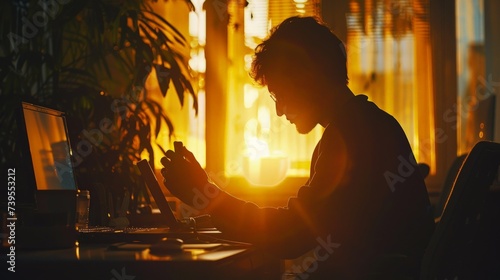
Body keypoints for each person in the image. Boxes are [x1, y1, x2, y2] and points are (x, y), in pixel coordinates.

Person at [160, 16, 435, 279]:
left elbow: (292, 235)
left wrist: (208, 197)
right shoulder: (362, 124)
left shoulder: (354, 136)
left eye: (279, 93)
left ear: (307, 77)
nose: (279, 111)